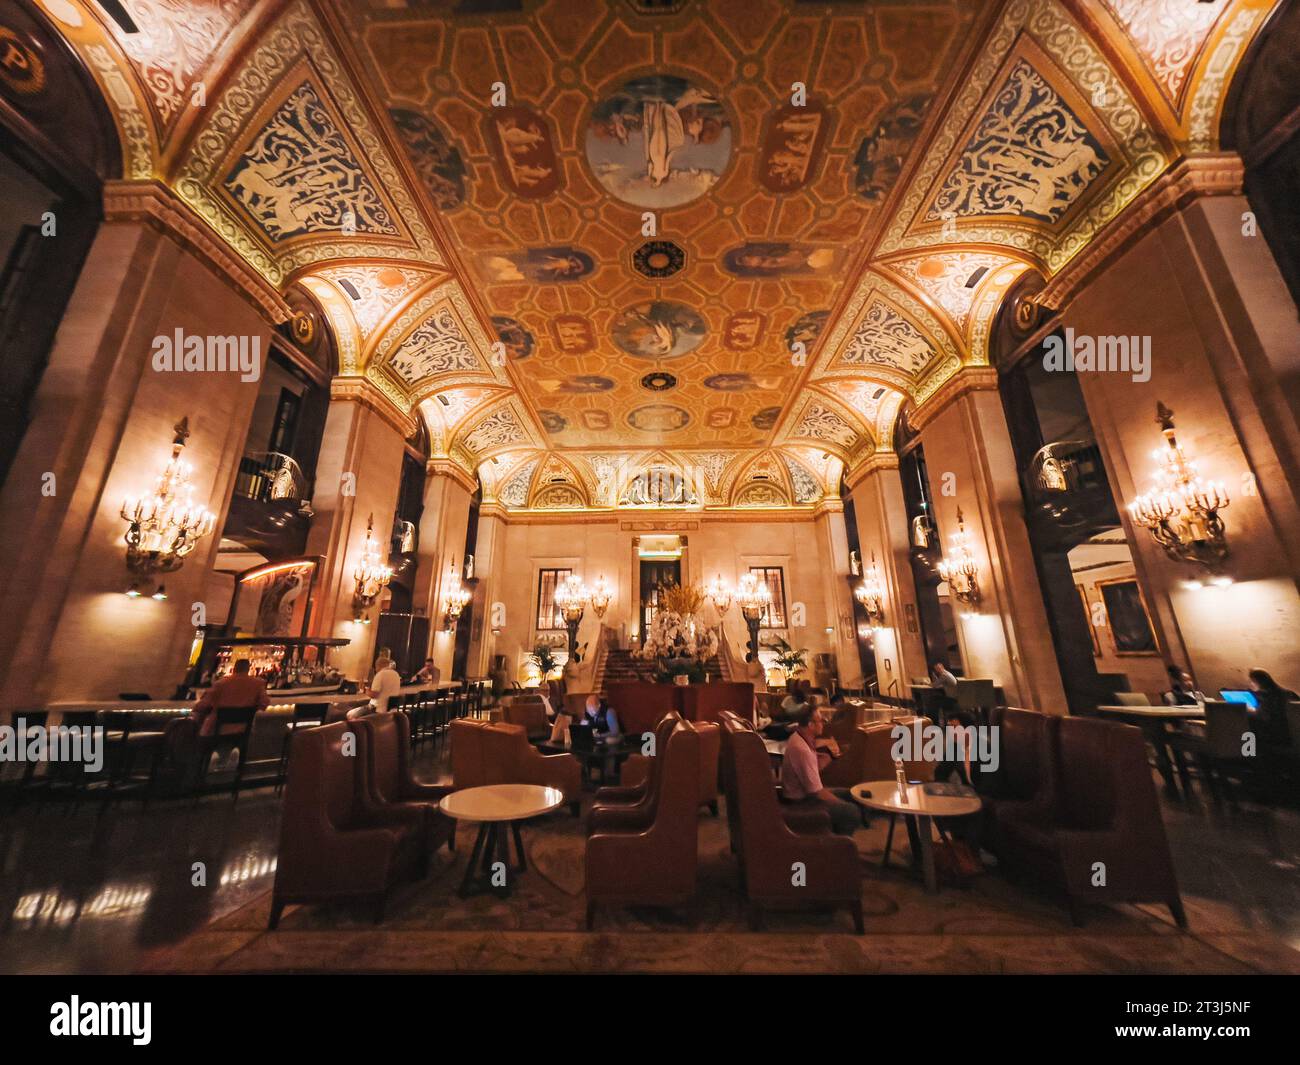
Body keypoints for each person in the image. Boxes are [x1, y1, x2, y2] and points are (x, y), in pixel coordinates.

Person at [779, 704, 861, 836]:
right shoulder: (802, 749)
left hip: (803, 794)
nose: (823, 723)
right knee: (850, 811)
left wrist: (829, 757)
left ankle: (836, 834)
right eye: (820, 720)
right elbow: (816, 792)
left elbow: (811, 769)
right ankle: (840, 846)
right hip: (801, 801)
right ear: (811, 725)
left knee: (851, 793)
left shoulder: (799, 736)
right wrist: (839, 803)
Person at [192, 658, 269, 738]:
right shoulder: (258, 684)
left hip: (217, 731)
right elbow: (264, 703)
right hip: (244, 731)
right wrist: (252, 710)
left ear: (234, 669)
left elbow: (201, 706)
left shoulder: (220, 683)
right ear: (248, 669)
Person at [1248, 668, 1297, 747]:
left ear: (1257, 681)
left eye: (1252, 681)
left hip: (1273, 732)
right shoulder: (1286, 693)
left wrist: (1252, 711)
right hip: (1287, 731)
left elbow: (1265, 716)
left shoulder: (1264, 695)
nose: (1252, 684)